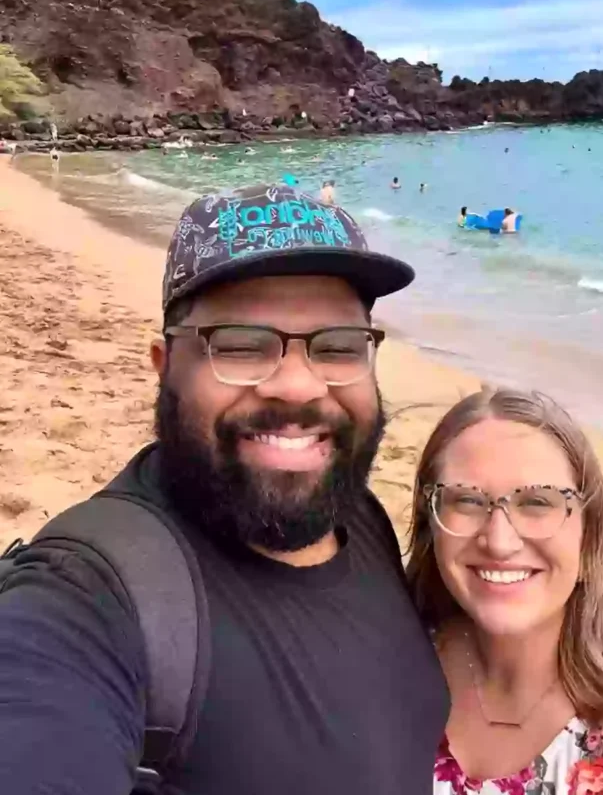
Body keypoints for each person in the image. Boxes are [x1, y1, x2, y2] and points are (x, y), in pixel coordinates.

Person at [0, 182, 449, 795]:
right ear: (164, 368)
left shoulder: (356, 510)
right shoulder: (89, 596)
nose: (297, 387)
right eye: (240, 346)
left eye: (339, 348)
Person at [407, 387, 603, 795]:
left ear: (590, 535)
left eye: (537, 503)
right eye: (466, 501)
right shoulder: (378, 671)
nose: (499, 541)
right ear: (432, 525)